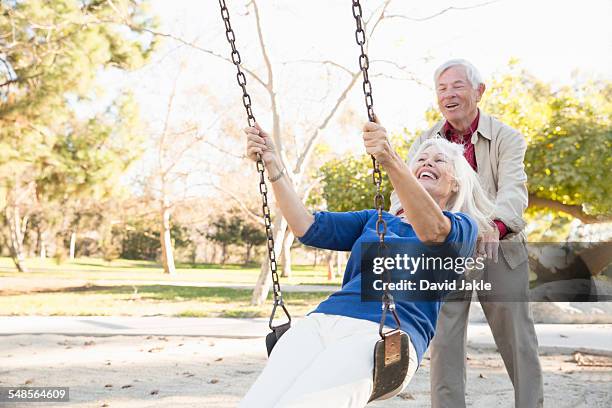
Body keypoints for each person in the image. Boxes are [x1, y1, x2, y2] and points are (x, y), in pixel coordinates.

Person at [238, 118, 494, 408]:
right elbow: (305, 225)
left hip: (384, 336)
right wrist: (273, 163)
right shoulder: (375, 219)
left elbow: (433, 231)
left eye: (440, 160)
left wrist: (390, 160)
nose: (428, 162)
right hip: (321, 321)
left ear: (456, 182)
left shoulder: (463, 227)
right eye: (421, 158)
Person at [393, 58, 544, 408]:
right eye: (442, 88)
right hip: (445, 249)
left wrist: (494, 226)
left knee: (517, 339)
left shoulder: (507, 138)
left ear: (478, 91)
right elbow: (407, 187)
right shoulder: (427, 140)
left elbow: (514, 190)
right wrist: (402, 217)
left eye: (457, 86)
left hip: (498, 246)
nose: (449, 94)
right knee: (443, 340)